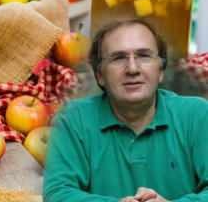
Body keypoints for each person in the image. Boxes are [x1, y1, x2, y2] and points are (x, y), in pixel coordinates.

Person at [43, 19, 208, 202]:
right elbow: (57, 193)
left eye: (144, 55)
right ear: (100, 75)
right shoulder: (73, 119)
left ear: (160, 70)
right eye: (118, 58)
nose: (132, 68)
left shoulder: (197, 115)